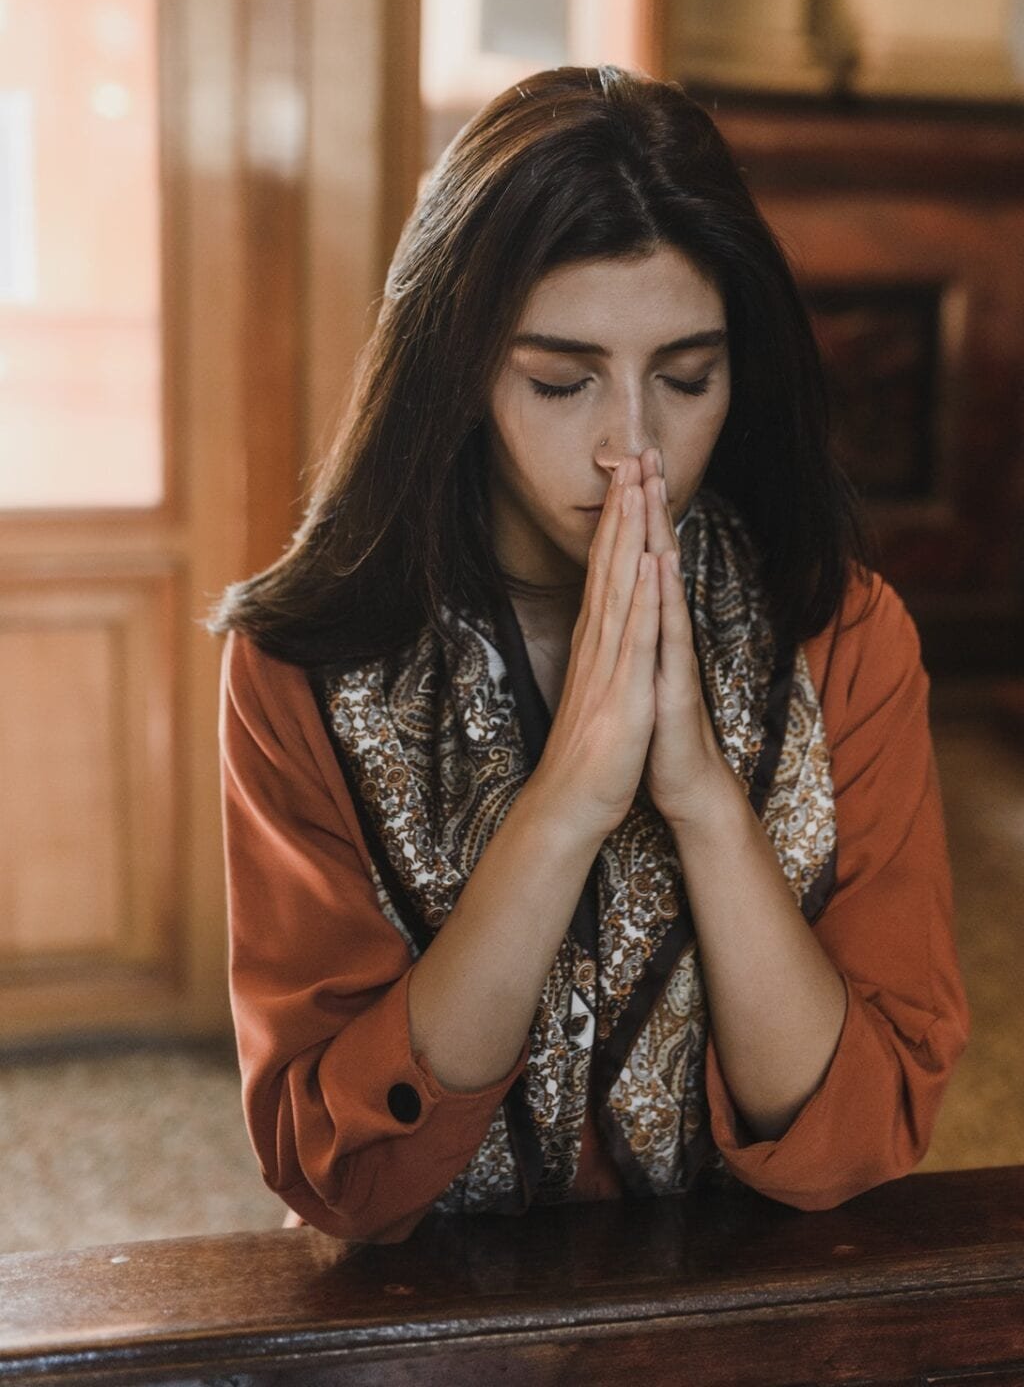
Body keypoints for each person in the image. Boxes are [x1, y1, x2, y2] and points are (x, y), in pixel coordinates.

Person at [210, 63, 970, 1244]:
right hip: (437, 1333)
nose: (634, 450)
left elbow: (859, 1139)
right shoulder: (302, 664)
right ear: (458, 369)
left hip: (751, 1314)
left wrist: (704, 803)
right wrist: (564, 805)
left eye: (686, 377)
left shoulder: (844, 634)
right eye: (560, 381)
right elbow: (340, 1175)